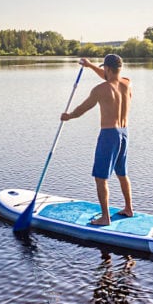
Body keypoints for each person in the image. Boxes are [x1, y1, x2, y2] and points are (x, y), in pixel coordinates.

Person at [61, 54, 134, 226]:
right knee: (122, 174)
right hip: (124, 133)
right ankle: (129, 208)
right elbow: (110, 78)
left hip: (109, 135)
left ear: (107, 69)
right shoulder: (127, 83)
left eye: (103, 69)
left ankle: (105, 218)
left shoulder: (100, 90)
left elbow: (82, 108)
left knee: (101, 178)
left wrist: (69, 116)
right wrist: (90, 66)